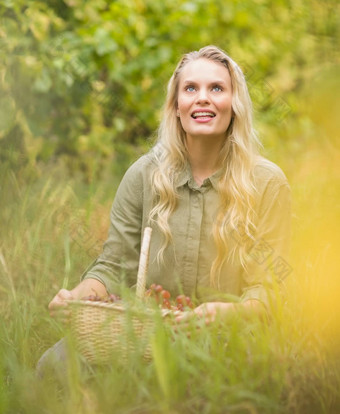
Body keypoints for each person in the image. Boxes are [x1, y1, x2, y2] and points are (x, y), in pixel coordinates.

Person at [37, 45, 291, 376]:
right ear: (176, 107)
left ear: (235, 105)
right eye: (190, 89)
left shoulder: (267, 183)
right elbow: (113, 267)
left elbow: (271, 289)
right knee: (53, 367)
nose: (202, 98)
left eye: (216, 88)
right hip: (143, 336)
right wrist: (77, 296)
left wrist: (228, 313)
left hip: (229, 339)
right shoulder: (143, 175)